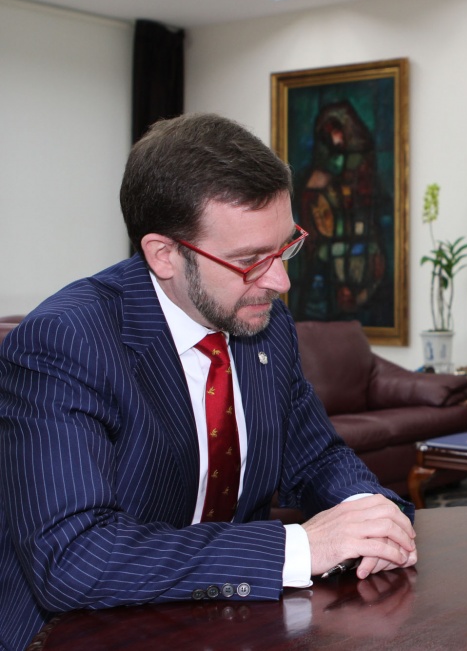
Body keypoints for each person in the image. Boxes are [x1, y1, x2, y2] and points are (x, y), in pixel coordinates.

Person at [0, 113, 417, 650]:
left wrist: (371, 514)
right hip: (79, 634)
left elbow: (316, 458)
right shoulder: (63, 342)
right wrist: (299, 548)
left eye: (285, 247)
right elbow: (74, 558)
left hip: (230, 622)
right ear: (164, 255)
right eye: (250, 260)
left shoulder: (263, 324)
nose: (280, 281)